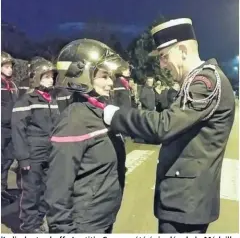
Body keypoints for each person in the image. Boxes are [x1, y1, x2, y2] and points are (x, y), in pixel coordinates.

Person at [103, 18, 235, 233]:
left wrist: (115, 116)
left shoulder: (205, 82)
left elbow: (163, 126)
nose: (162, 64)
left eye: (164, 56)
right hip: (185, 198)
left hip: (187, 202)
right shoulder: (196, 80)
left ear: (183, 50)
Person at [45, 39, 127, 233]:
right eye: (104, 76)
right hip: (85, 224)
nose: (110, 83)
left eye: (111, 76)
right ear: (81, 76)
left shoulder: (98, 111)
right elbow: (58, 189)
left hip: (102, 217)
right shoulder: (73, 122)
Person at [11, 59, 64, 233]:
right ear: (36, 78)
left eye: (52, 76)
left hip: (50, 151)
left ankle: (39, 220)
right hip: (33, 152)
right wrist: (23, 157)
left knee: (47, 190)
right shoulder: (26, 100)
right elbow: (18, 130)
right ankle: (29, 227)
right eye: (46, 76)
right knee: (31, 192)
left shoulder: (52, 99)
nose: (51, 80)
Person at [1, 51, 19, 204]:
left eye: (10, 67)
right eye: (6, 66)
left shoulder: (12, 85)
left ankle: (2, 189)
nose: (9, 69)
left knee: (7, 160)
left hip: (10, 129)